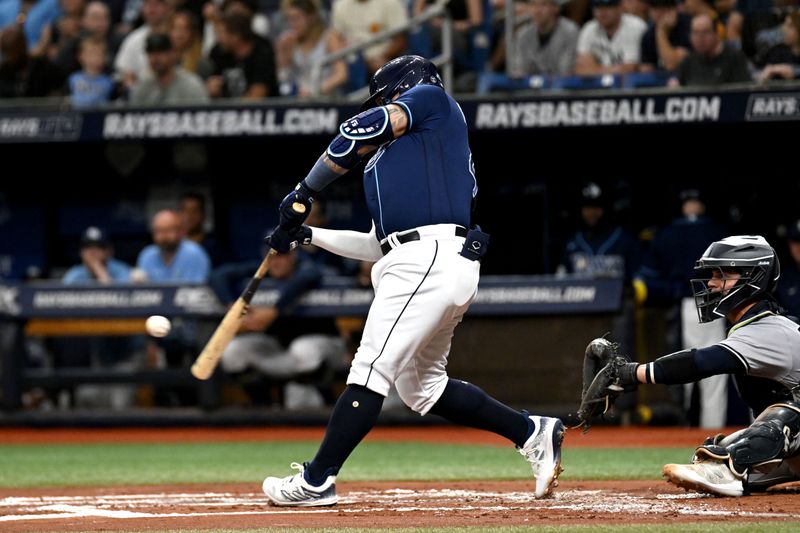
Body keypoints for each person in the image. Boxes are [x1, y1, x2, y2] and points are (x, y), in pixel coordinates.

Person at [260, 55, 565, 507]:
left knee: (370, 369)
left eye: (385, 96)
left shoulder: (430, 98)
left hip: (429, 259)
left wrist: (305, 190)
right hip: (430, 259)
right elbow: (378, 243)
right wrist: (307, 234)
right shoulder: (408, 157)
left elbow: (354, 133)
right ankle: (532, 431)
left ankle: (317, 479)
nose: (382, 104)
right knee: (422, 387)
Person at [591, 235, 800, 496]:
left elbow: (700, 363)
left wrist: (632, 373)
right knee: (727, 447)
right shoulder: (754, 327)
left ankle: (728, 468)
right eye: (712, 274)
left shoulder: (769, 330)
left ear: (753, 278)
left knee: (782, 419)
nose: (711, 283)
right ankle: (758, 466)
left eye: (722, 275)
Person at [634, 189, 728, 428]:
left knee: (685, 371)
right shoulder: (719, 233)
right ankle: (704, 433)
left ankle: (686, 430)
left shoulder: (667, 234)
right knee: (711, 376)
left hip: (688, 304)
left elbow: (645, 280)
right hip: (708, 303)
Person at [213, 244, 348, 408]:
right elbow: (218, 275)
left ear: (294, 256)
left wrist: (274, 311)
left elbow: (309, 276)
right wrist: (232, 305)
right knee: (233, 351)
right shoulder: (263, 269)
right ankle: (263, 404)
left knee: (304, 350)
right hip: (281, 348)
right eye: (272, 255)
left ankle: (328, 400)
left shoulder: (307, 267)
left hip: (326, 347)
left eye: (283, 255)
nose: (276, 262)